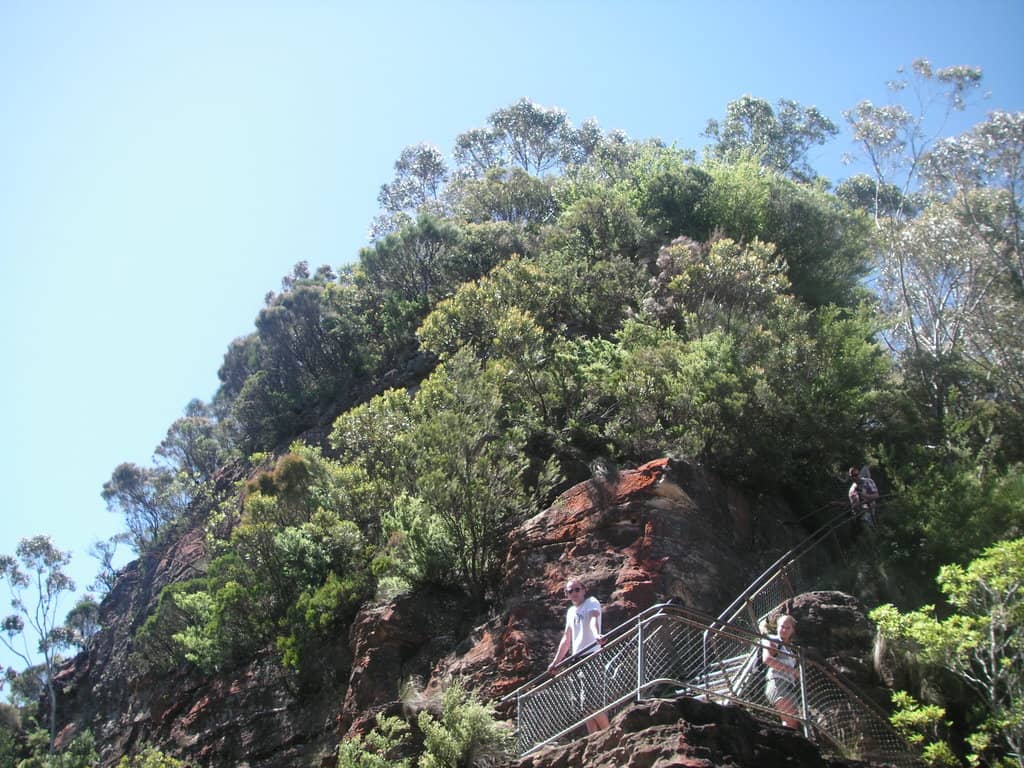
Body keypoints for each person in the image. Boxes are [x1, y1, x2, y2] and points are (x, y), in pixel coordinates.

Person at [548, 578, 610, 733]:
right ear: (566, 594)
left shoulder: (591, 602)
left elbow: (593, 620)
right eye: (570, 591)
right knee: (583, 706)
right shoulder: (570, 612)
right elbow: (566, 639)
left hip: (590, 656)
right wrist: (556, 662)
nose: (574, 593)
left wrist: (597, 635)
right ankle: (594, 741)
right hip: (576, 660)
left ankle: (610, 734)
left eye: (577, 589)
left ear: (584, 590)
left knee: (593, 702)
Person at [762, 614, 800, 729]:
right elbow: (767, 659)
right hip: (778, 682)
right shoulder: (772, 640)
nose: (783, 630)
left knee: (793, 722)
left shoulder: (793, 649)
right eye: (781, 626)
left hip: (789, 686)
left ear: (792, 630)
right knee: (790, 721)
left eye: (787, 628)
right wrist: (792, 671)